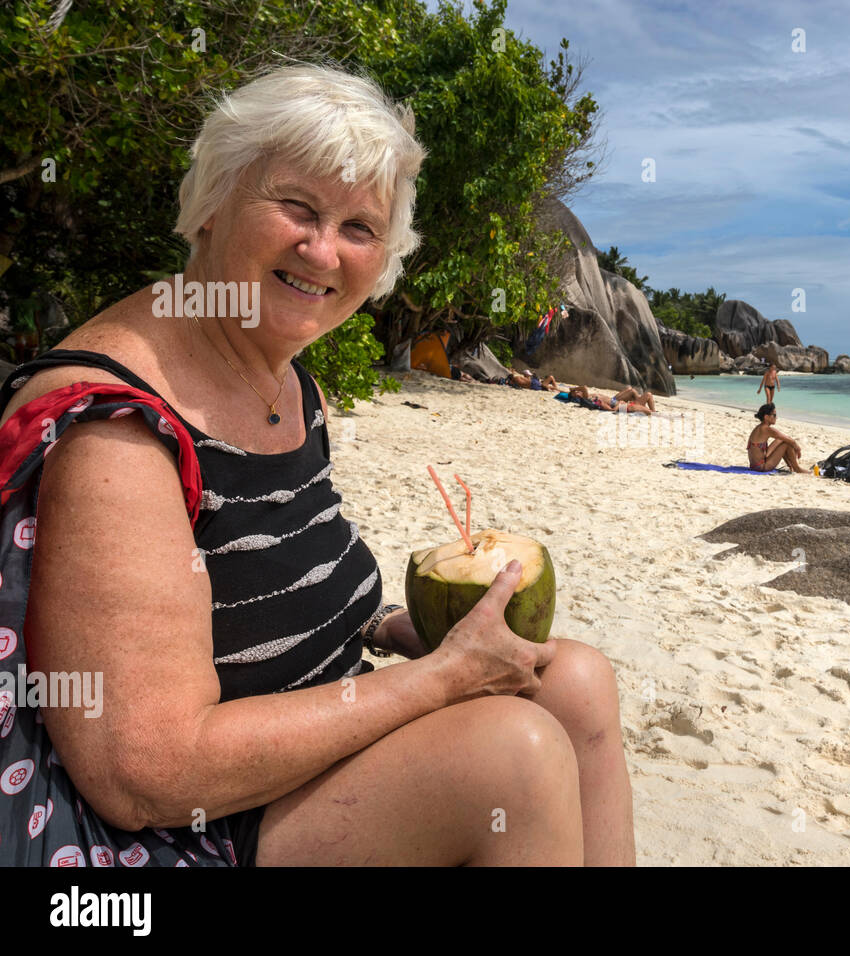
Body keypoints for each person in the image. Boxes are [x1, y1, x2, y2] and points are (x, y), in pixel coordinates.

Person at [0, 64, 634, 867]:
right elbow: (144, 772)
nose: (322, 249)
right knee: (516, 759)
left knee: (573, 679)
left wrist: (421, 631)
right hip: (181, 829)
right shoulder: (119, 431)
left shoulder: (286, 377)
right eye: (295, 206)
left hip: (294, 754)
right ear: (214, 202)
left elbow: (266, 588)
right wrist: (439, 681)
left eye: (360, 228)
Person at [746, 403, 809, 473]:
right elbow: (791, 441)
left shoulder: (760, 427)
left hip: (755, 465)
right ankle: (797, 468)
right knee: (786, 443)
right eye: (774, 415)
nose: (776, 417)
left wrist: (793, 446)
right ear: (766, 417)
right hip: (761, 467)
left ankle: (791, 466)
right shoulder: (766, 429)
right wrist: (798, 449)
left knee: (782, 440)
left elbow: (784, 438)